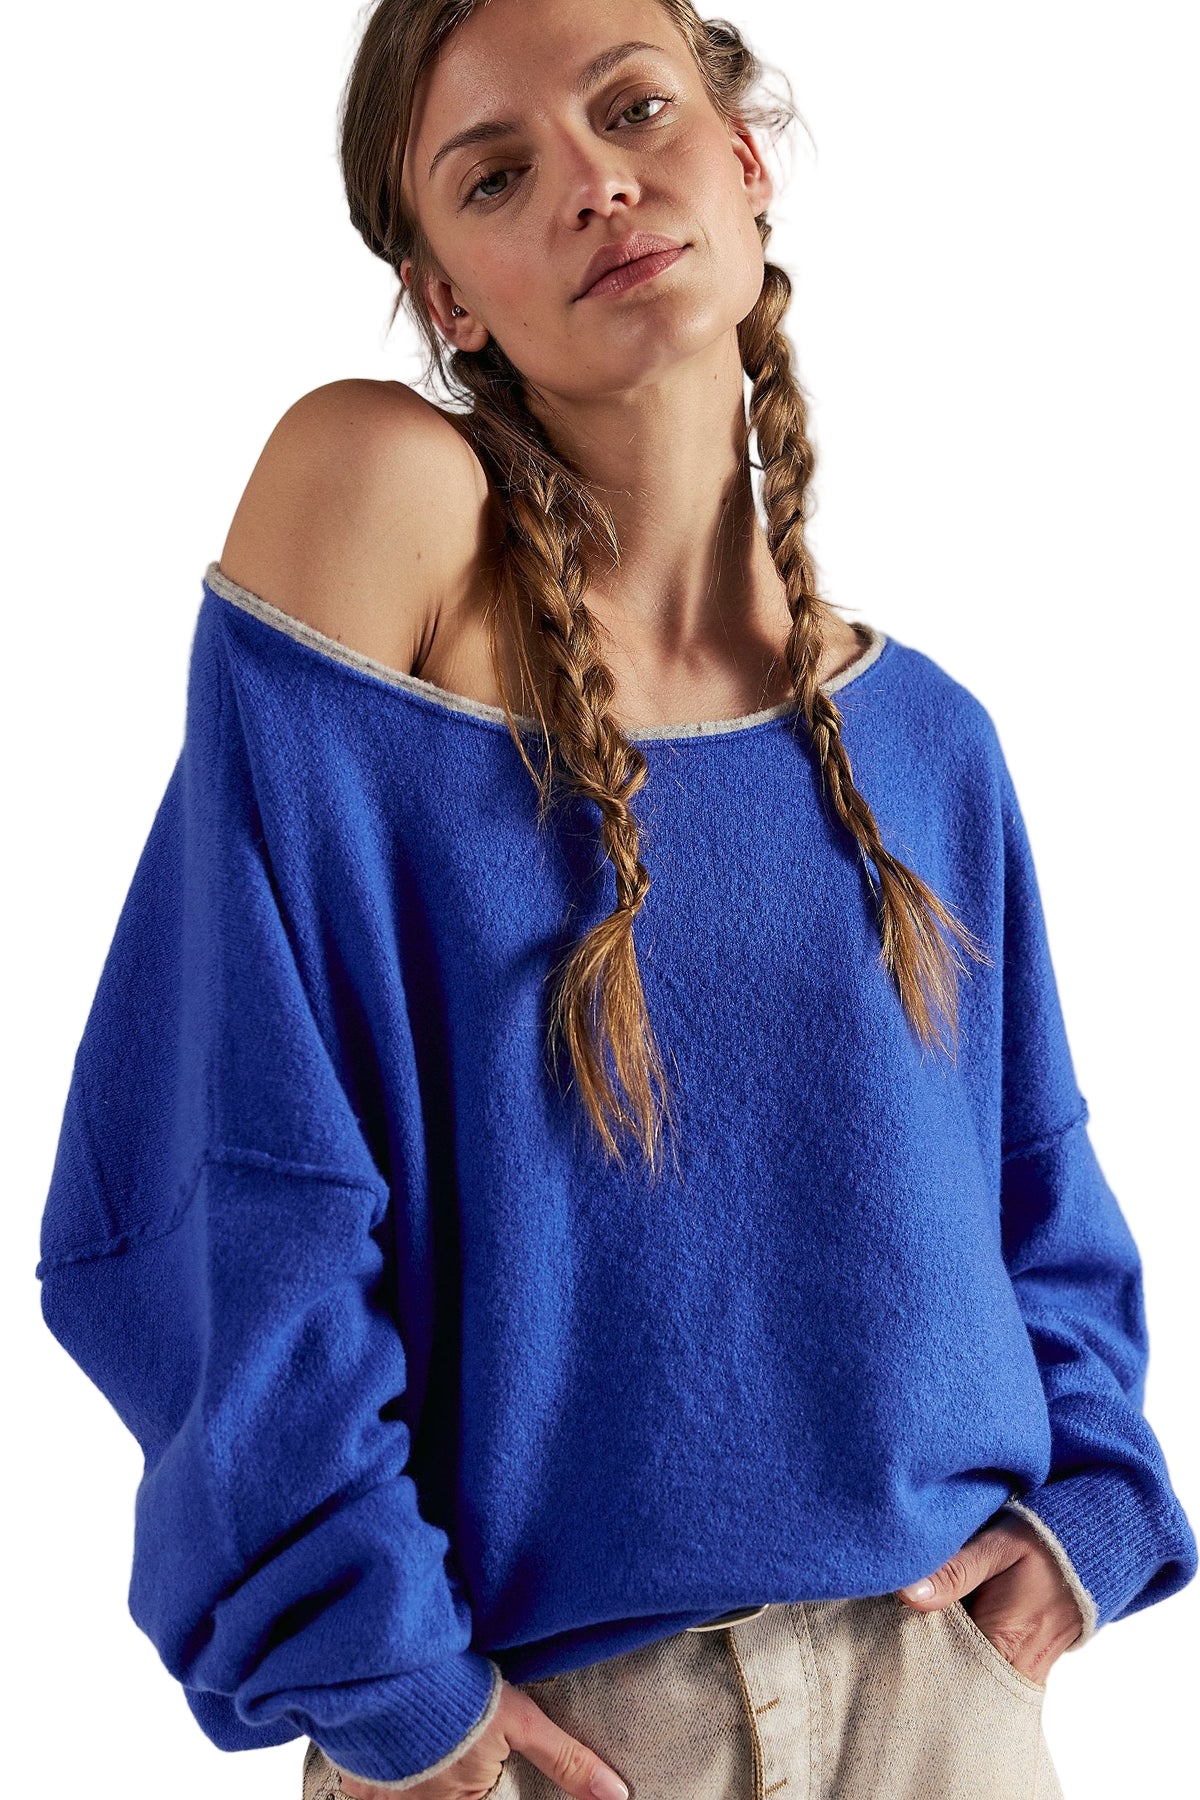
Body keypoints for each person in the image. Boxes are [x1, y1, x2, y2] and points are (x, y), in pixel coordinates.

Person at [36, 2, 1196, 1798]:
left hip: (940, 1705)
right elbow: (219, 1158)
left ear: (743, 162)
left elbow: (1038, 1198)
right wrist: (379, 1671)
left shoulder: (928, 743)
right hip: (553, 1736)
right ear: (446, 299)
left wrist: (1093, 1512)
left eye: (633, 109)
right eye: (496, 176)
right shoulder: (378, 498)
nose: (593, 182)